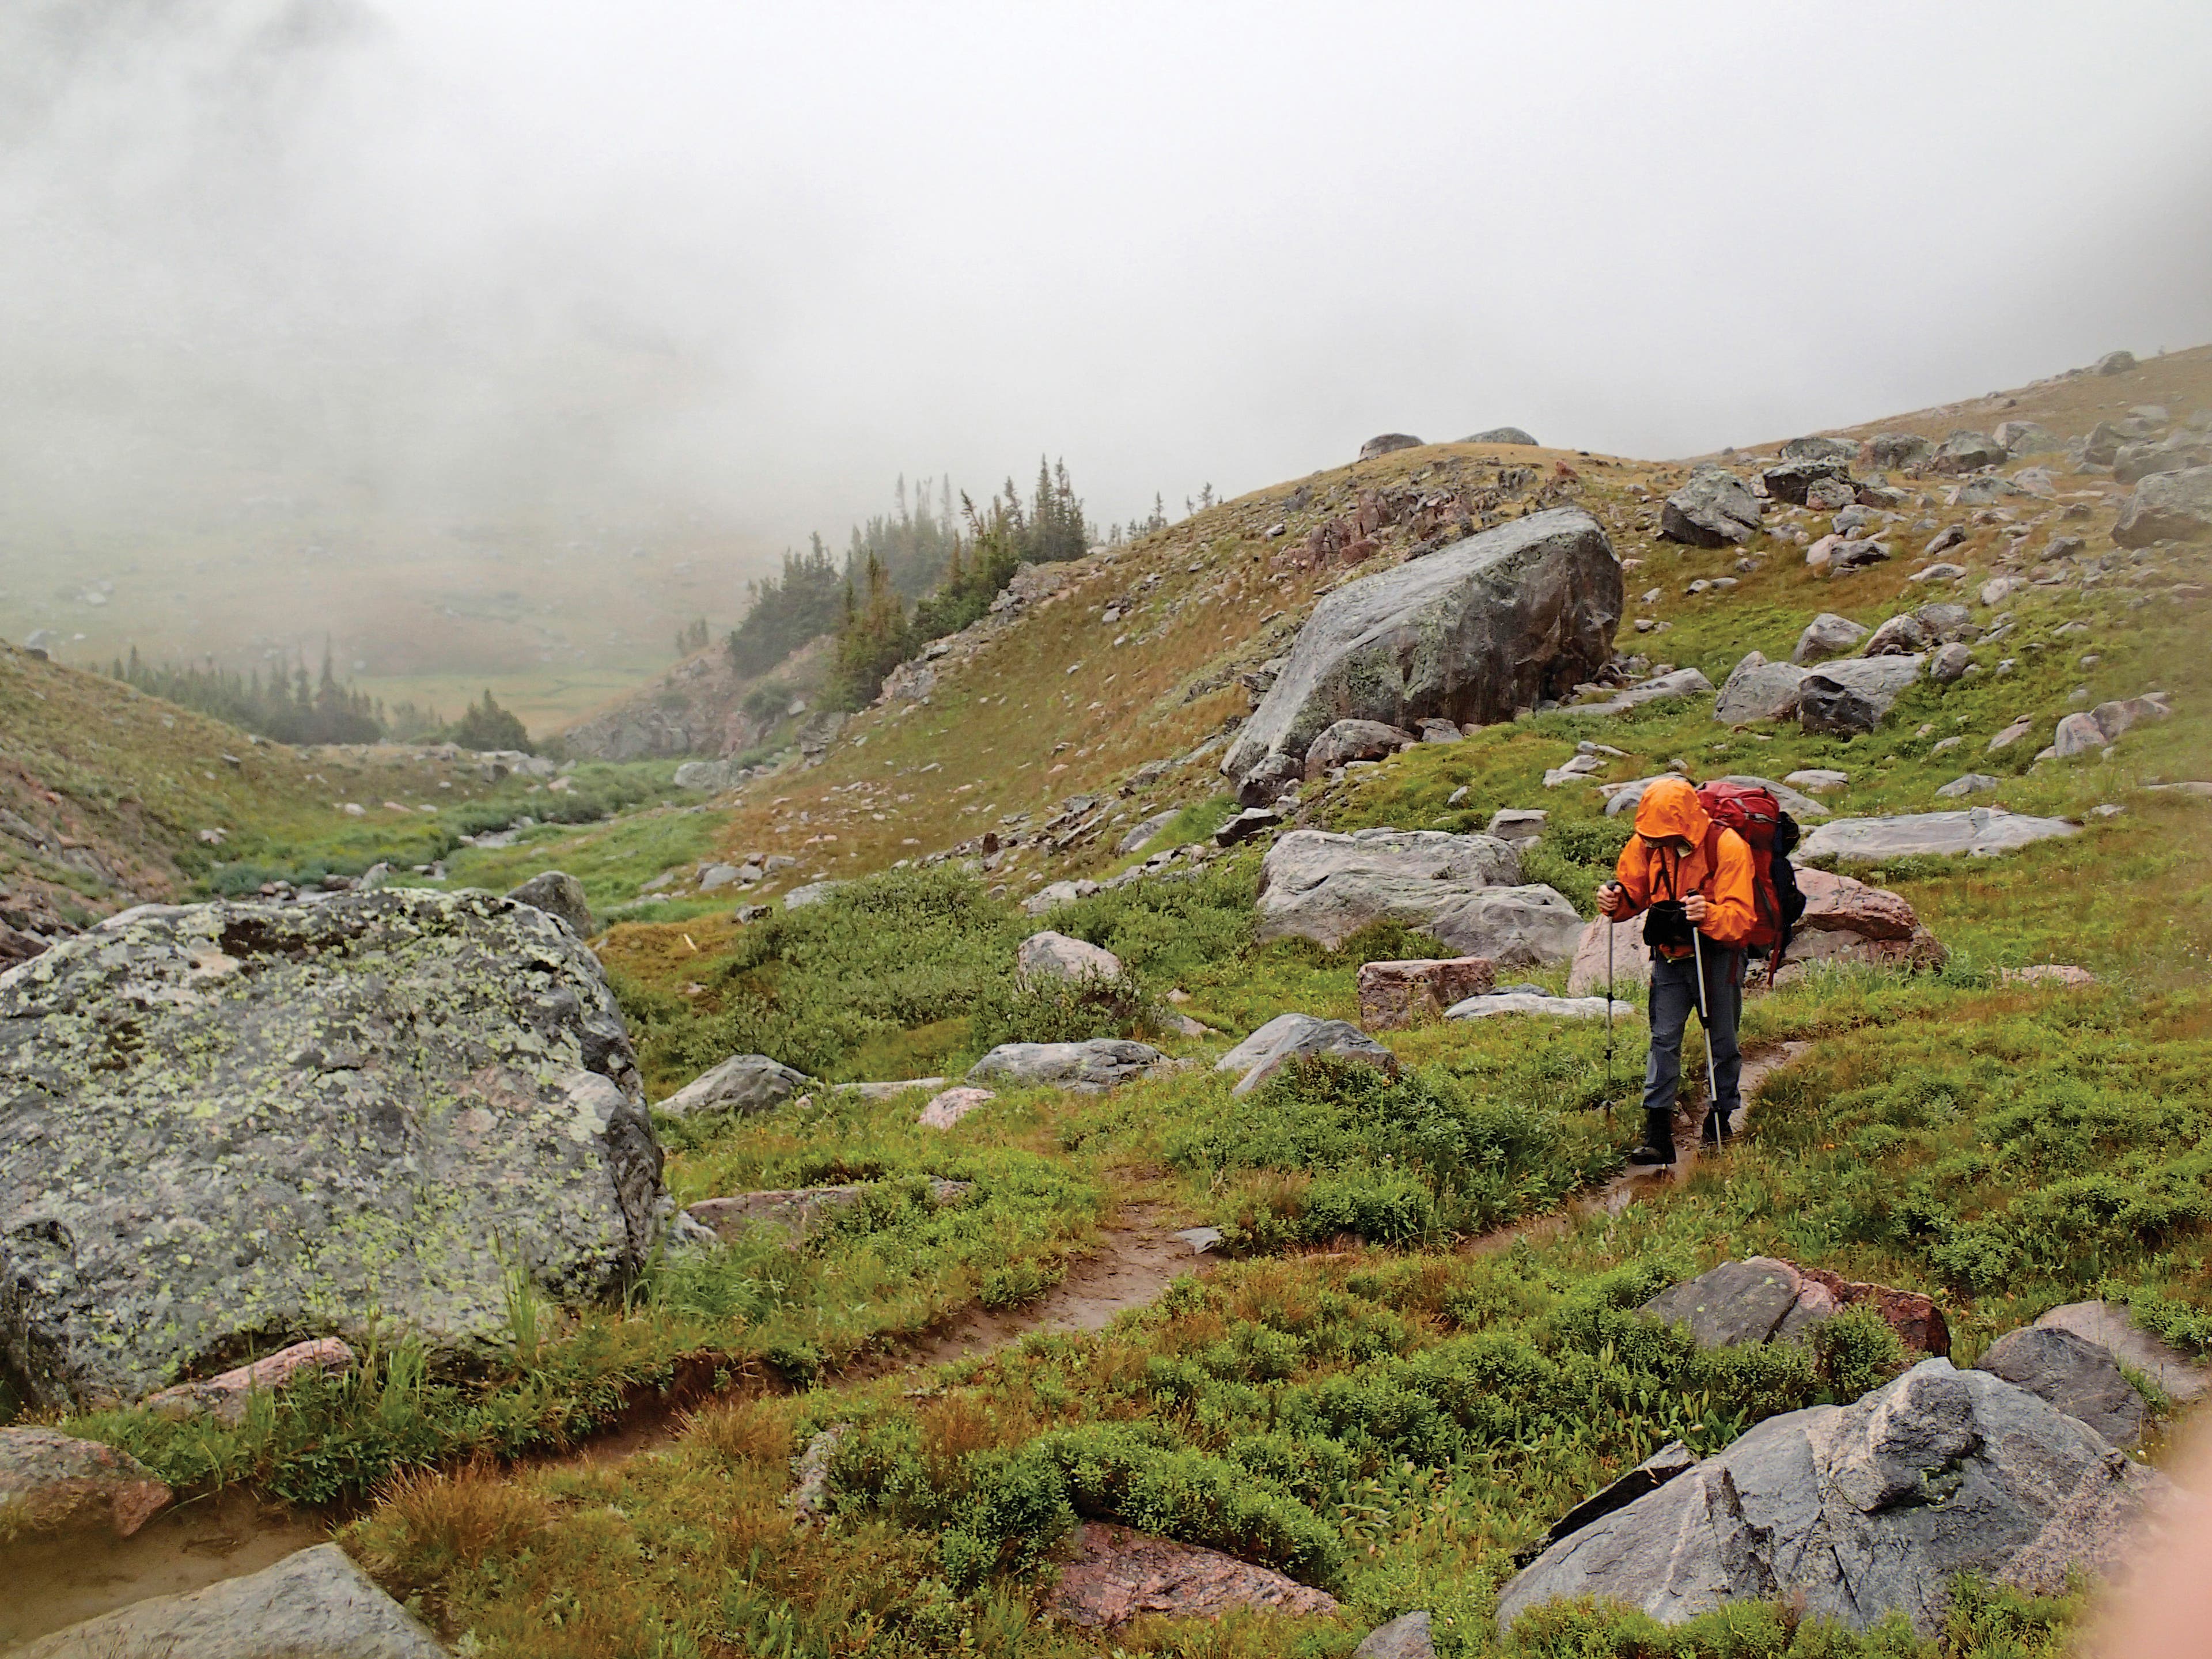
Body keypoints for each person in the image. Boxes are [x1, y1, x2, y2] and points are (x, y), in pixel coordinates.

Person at [1595, 776, 1756, 1165]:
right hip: (1668, 955)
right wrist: (1614, 901)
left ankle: (1719, 1121)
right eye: (1653, 838)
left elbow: (1742, 918)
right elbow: (1632, 893)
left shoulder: (1727, 846)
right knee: (1663, 1039)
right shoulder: (1646, 842)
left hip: (1717, 956)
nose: (1659, 845)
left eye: (1667, 838)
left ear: (1686, 822)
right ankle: (1658, 1136)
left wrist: (1709, 913)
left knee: (1722, 1040)